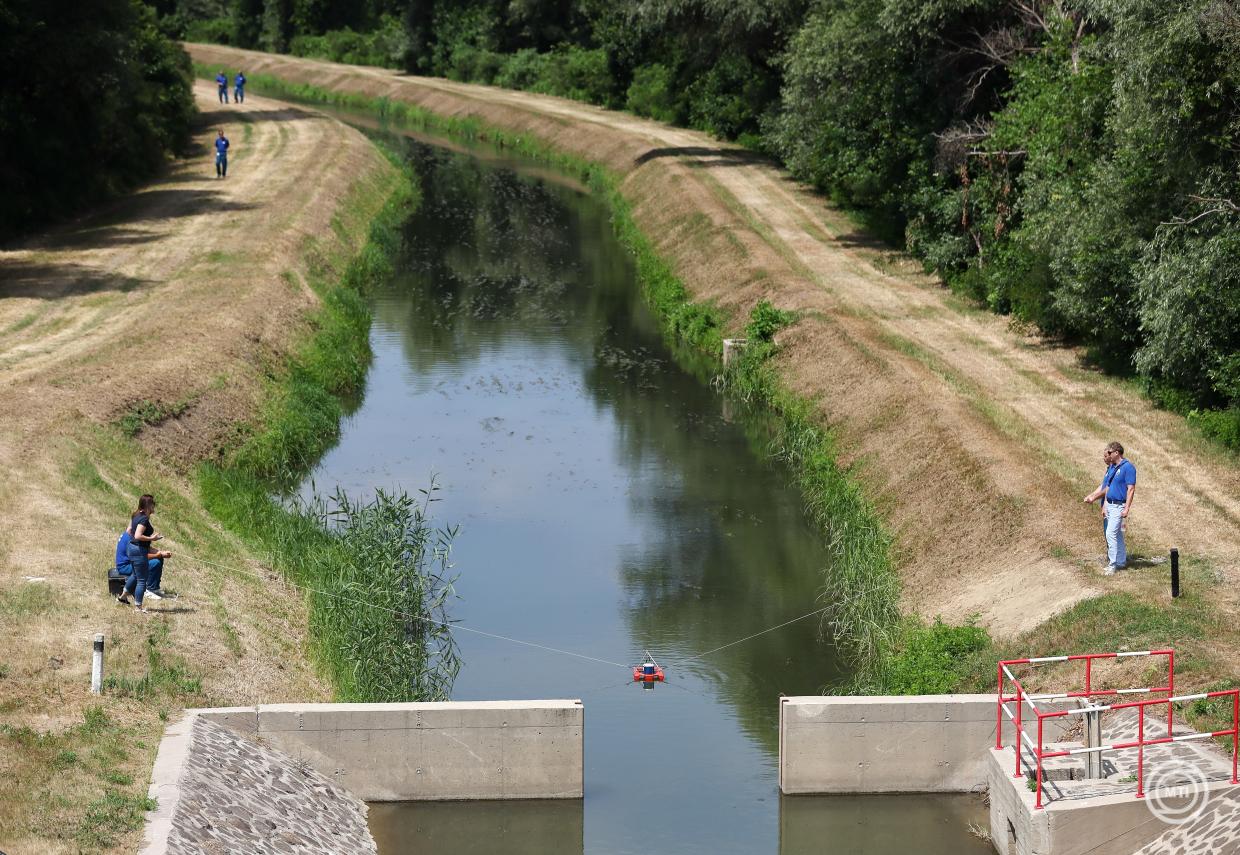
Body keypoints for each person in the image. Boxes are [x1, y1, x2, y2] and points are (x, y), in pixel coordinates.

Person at [1082, 441, 1137, 575]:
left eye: (1110, 453)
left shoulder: (1128, 467)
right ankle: (1121, 561)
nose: (1107, 455)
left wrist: (1126, 508)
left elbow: (1131, 489)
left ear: (1117, 453)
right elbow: (1108, 487)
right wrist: (1105, 504)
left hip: (1119, 506)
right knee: (1117, 534)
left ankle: (1112, 565)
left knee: (1110, 534)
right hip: (1111, 505)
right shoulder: (1113, 467)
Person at [116, 495, 166, 613]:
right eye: (153, 504)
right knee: (142, 579)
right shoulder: (143, 519)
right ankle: (138, 607)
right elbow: (138, 535)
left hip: (132, 548)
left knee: (135, 575)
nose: (154, 506)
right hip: (138, 550)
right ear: (148, 505)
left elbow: (129, 530)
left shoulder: (136, 515)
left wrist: (135, 541)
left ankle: (122, 597)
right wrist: (151, 538)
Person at [115, 527, 170, 600]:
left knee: (159, 558)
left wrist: (161, 553)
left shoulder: (132, 534)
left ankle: (155, 588)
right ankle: (148, 590)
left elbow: (147, 548)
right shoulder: (131, 539)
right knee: (154, 563)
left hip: (132, 562)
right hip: (125, 567)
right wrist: (158, 555)